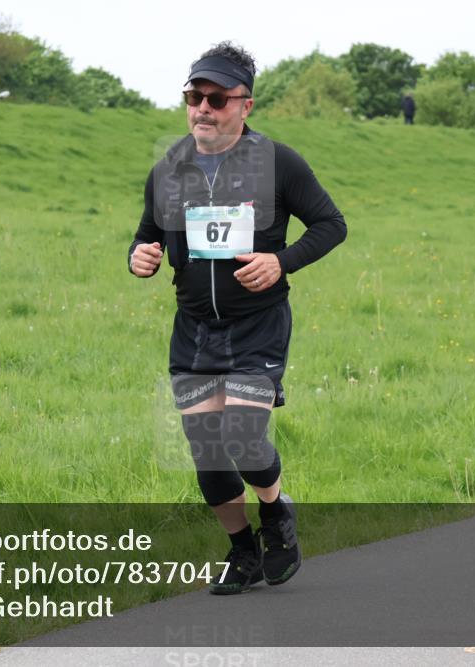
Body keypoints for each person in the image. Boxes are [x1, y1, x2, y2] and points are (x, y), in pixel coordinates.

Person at [128, 42, 346, 594]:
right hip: (195, 330)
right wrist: (140, 258)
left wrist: (281, 260)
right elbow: (145, 237)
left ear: (245, 106)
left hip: (257, 325)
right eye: (193, 96)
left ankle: (276, 512)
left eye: (216, 99)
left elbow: (330, 225)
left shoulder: (279, 164)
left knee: (245, 437)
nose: (202, 107)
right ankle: (243, 551)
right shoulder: (169, 170)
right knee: (208, 458)